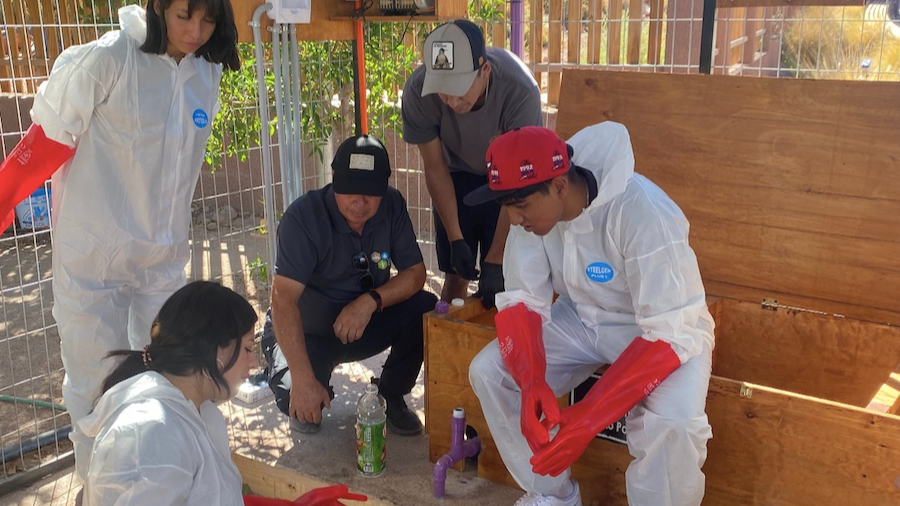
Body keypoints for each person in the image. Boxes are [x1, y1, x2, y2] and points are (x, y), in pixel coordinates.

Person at [28, 0, 240, 479]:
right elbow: (45, 137)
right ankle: (97, 487)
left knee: (179, 373)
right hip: (94, 260)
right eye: (185, 15)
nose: (196, 31)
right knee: (94, 387)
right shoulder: (108, 59)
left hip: (161, 260)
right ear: (160, 6)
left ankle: (165, 480)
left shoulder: (206, 73)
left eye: (208, 20)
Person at [465, 124, 716, 506]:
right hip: (582, 320)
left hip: (668, 332)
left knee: (675, 422)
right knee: (490, 371)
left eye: (520, 206)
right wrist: (532, 379)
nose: (514, 220)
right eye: (507, 207)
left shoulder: (642, 212)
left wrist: (587, 418)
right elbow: (522, 301)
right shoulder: (533, 219)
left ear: (560, 187)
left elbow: (669, 330)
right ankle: (554, 495)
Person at [265, 134, 437, 436]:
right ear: (334, 182)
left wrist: (370, 301)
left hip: (362, 323)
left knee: (425, 307)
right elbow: (282, 300)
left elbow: (415, 273)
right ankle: (301, 375)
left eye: (371, 193)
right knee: (302, 409)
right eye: (350, 193)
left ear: (384, 188)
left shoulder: (393, 205)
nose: (360, 204)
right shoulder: (302, 218)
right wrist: (304, 380)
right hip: (309, 333)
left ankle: (391, 393)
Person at [75, 281, 258, 505]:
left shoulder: (195, 410)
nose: (254, 363)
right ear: (216, 348)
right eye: (248, 349)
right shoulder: (156, 433)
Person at [401, 19, 542, 308]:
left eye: (460, 87)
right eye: (443, 89)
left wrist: (495, 257)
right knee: (455, 276)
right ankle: (448, 349)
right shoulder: (418, 92)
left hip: (507, 181)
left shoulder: (520, 91)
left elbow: (517, 179)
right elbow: (435, 166)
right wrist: (455, 238)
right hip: (455, 175)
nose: (451, 100)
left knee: (506, 281)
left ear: (485, 71)